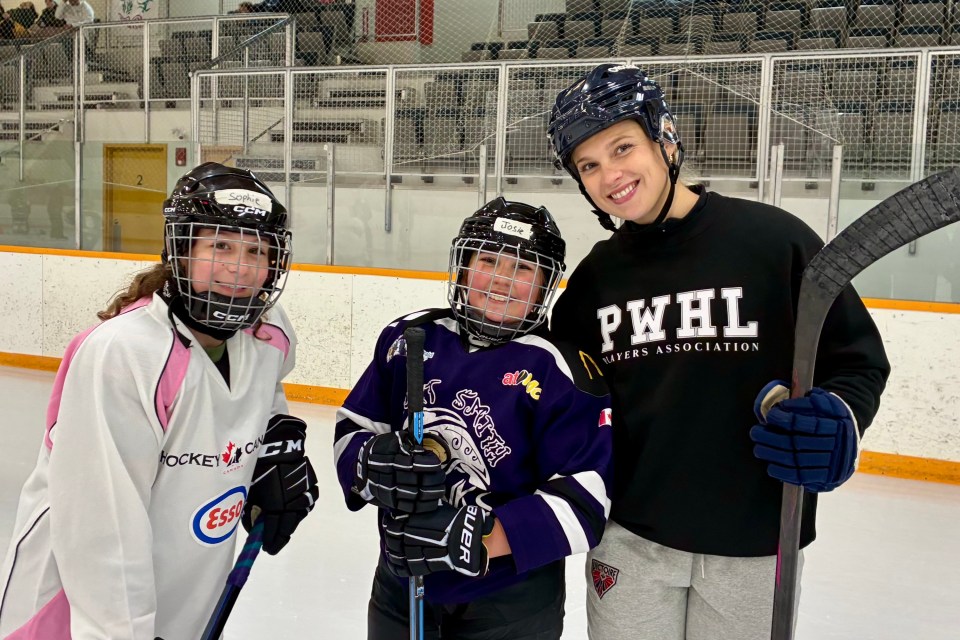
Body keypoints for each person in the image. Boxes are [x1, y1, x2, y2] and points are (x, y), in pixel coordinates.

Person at [546, 63, 891, 640]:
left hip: (755, 541)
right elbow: (571, 411)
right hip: (631, 541)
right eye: (589, 165)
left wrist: (840, 418)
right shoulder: (591, 284)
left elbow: (856, 359)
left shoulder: (774, 241)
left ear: (665, 138)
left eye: (622, 147)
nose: (610, 175)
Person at [0, 162, 319, 639]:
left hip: (188, 585)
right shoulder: (126, 352)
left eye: (256, 250)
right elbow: (102, 525)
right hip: (79, 608)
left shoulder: (269, 334)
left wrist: (275, 444)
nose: (238, 268)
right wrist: (123, 632)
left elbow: (265, 391)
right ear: (181, 252)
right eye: (220, 246)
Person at [333, 197, 614, 639]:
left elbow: (587, 500)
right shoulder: (409, 337)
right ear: (463, 267)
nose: (502, 279)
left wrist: (477, 539)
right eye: (487, 260)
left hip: (509, 599)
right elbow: (355, 428)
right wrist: (371, 466)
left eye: (523, 268)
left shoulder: (562, 372)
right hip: (400, 581)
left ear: (545, 284)